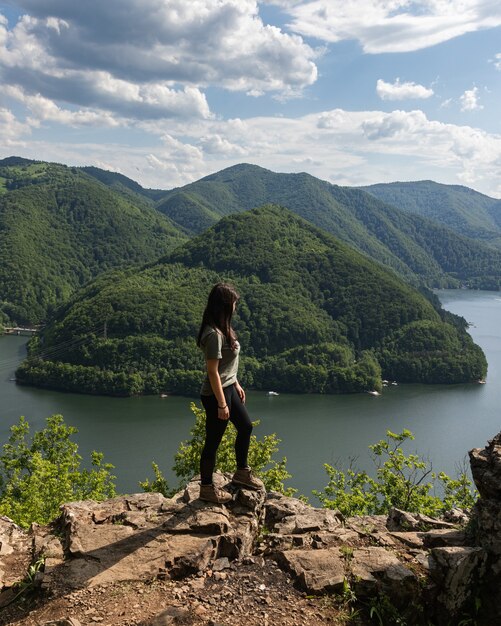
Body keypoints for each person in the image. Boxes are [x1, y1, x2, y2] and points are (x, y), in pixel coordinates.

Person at [197, 282, 263, 504]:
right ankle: (206, 488)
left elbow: (227, 367)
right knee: (213, 442)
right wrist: (222, 404)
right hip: (216, 394)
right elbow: (213, 372)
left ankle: (242, 473)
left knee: (246, 427)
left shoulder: (224, 327)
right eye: (234, 302)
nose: (236, 306)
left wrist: (236, 383)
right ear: (224, 305)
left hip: (228, 387)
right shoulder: (214, 334)